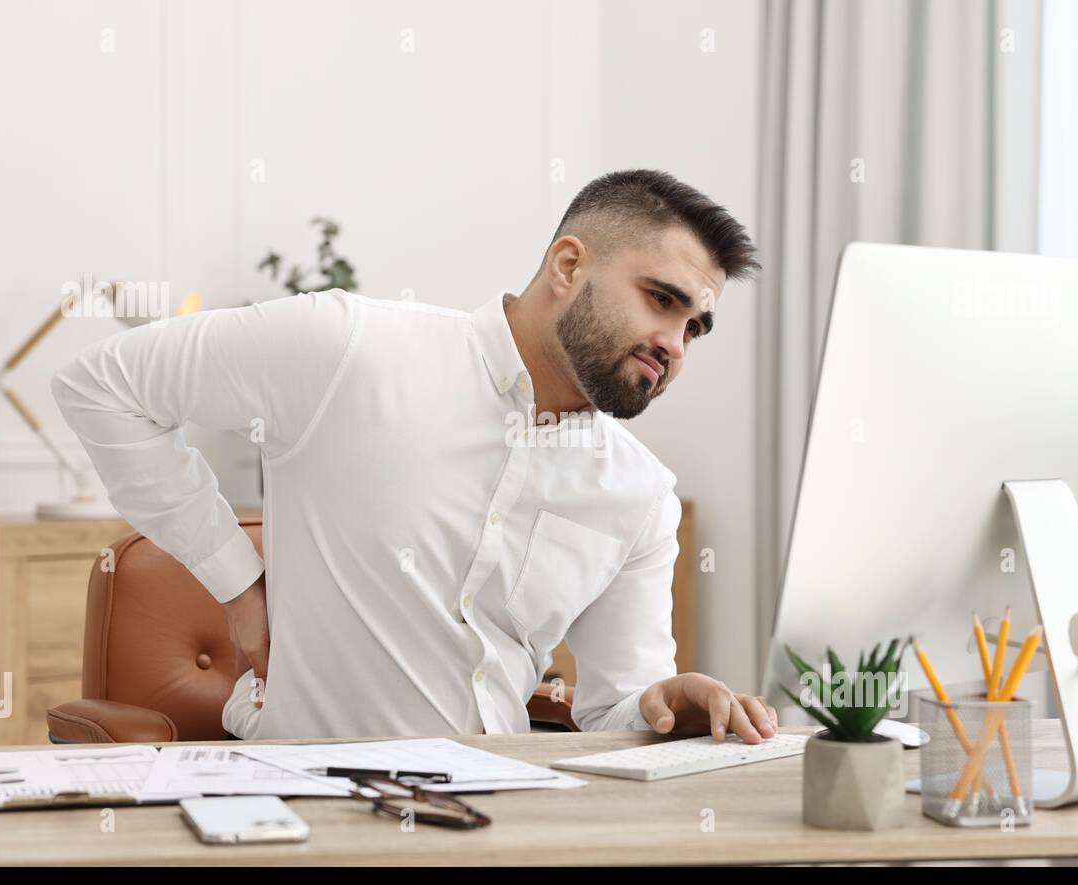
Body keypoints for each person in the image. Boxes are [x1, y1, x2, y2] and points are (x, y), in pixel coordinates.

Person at [51, 168, 778, 743]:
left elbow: (612, 711)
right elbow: (99, 386)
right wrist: (238, 585)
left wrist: (661, 706)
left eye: (696, 327)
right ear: (567, 265)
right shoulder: (348, 350)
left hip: (511, 817)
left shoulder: (640, 496)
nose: (675, 345)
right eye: (661, 300)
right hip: (312, 808)